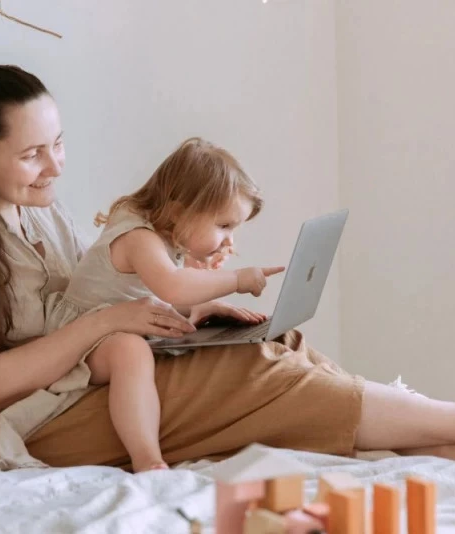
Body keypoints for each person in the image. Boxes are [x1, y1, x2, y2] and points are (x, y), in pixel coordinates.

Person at [0, 49, 455, 476]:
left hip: (100, 376)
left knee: (273, 345)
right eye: (32, 154)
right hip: (40, 422)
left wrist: (182, 310)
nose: (54, 165)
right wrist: (112, 326)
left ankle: (443, 433)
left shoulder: (42, 211)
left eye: (58, 143)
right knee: (258, 372)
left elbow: (90, 304)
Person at [42, 136, 283, 472]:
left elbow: (166, 289)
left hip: (119, 322)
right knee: (131, 352)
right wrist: (238, 279)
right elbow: (172, 286)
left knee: (181, 334)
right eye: (224, 226)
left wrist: (207, 298)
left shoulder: (164, 230)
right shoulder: (138, 236)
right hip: (78, 339)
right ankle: (147, 458)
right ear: (180, 211)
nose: (230, 239)